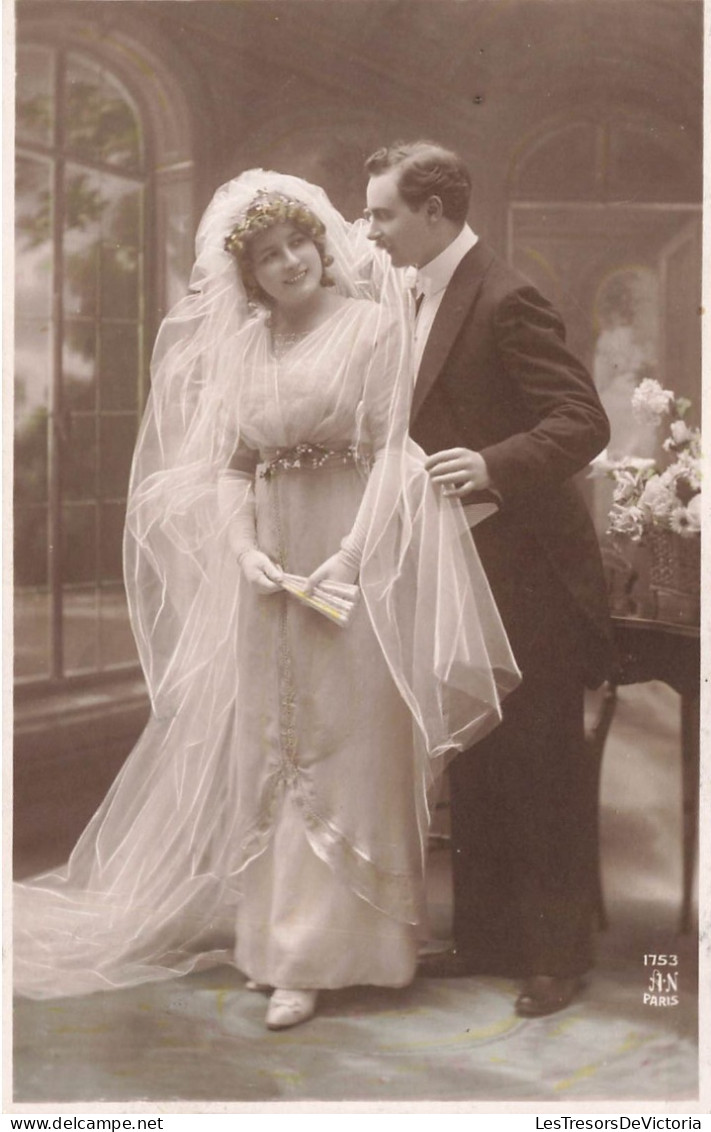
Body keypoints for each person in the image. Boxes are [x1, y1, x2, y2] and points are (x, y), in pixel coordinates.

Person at [14, 170, 519, 1030]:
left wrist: (350, 560)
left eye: (298, 245)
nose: (288, 263)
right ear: (245, 275)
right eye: (266, 256)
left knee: (351, 746)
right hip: (270, 565)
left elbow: (393, 453)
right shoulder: (245, 347)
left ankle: (354, 952)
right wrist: (246, 552)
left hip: (354, 558)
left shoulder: (371, 328)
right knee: (273, 747)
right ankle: (283, 953)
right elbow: (236, 465)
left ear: (324, 247)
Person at [364, 141, 612, 1017]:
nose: (371, 229)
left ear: (434, 212)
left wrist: (491, 463)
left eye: (384, 213)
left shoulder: (506, 296)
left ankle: (555, 956)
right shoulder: (415, 291)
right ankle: (488, 939)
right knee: (475, 749)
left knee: (541, 758)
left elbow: (583, 422)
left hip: (531, 569)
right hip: (464, 564)